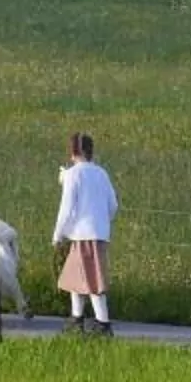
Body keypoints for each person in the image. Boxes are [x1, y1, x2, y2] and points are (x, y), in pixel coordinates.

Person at [52, 132, 118, 337]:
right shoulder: (101, 173)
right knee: (76, 277)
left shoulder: (73, 175)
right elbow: (113, 205)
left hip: (82, 234)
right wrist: (102, 222)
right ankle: (77, 317)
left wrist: (58, 234)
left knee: (91, 280)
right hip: (98, 233)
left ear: (73, 152)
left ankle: (103, 323)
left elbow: (66, 208)